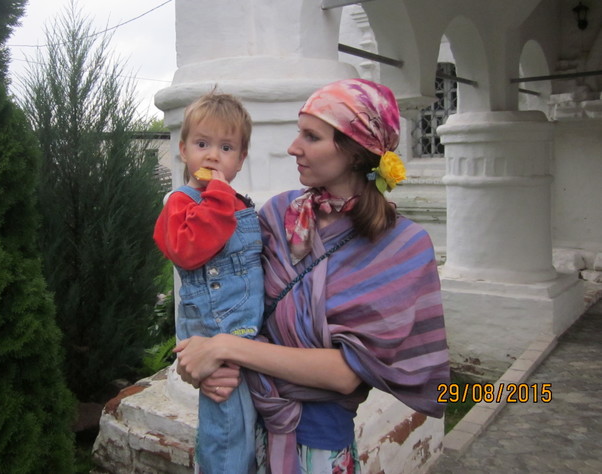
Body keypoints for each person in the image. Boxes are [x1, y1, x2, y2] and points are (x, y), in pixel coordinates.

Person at [174, 79, 450, 474]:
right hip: (237, 426)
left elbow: (346, 374)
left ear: (354, 151)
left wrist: (225, 349)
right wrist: (199, 364)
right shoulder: (275, 215)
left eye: (311, 136)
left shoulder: (401, 247)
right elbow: (222, 300)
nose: (293, 147)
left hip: (317, 450)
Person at [154, 92, 264, 474]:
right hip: (215, 335)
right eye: (202, 144)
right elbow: (187, 251)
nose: (213, 156)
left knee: (252, 431)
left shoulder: (238, 202)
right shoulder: (181, 202)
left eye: (226, 147)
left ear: (241, 159)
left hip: (248, 336)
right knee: (227, 435)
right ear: (183, 150)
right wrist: (218, 197)